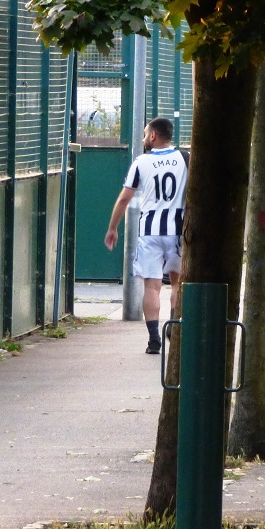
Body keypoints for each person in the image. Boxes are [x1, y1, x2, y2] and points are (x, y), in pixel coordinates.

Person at [104, 118, 187, 354]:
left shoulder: (141, 162)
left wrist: (113, 228)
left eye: (144, 134)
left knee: (152, 286)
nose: (142, 138)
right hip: (178, 231)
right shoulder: (185, 158)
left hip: (150, 231)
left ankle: (153, 340)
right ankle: (173, 327)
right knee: (176, 283)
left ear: (153, 136)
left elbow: (124, 198)